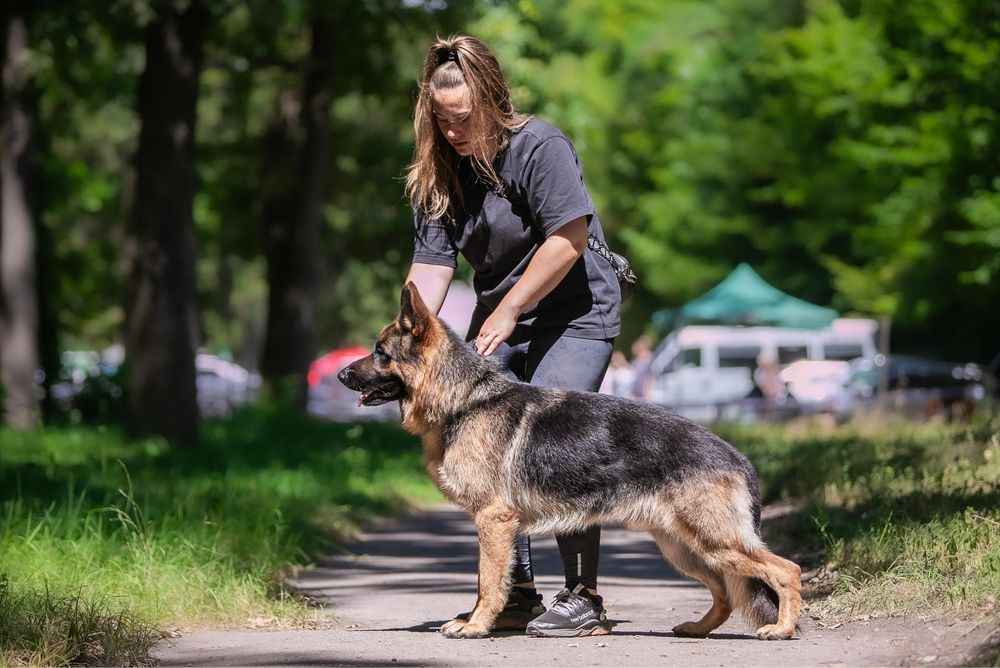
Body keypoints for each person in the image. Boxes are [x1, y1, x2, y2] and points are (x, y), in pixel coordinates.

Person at [402, 34, 621, 637]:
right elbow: (432, 266)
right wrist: (404, 334)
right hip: (504, 312)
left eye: (464, 118)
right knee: (488, 441)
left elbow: (567, 239)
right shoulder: (437, 174)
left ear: (493, 100)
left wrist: (507, 310)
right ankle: (515, 593)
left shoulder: (538, 145)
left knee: (557, 436)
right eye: (441, 121)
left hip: (574, 310)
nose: (453, 132)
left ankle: (583, 597)